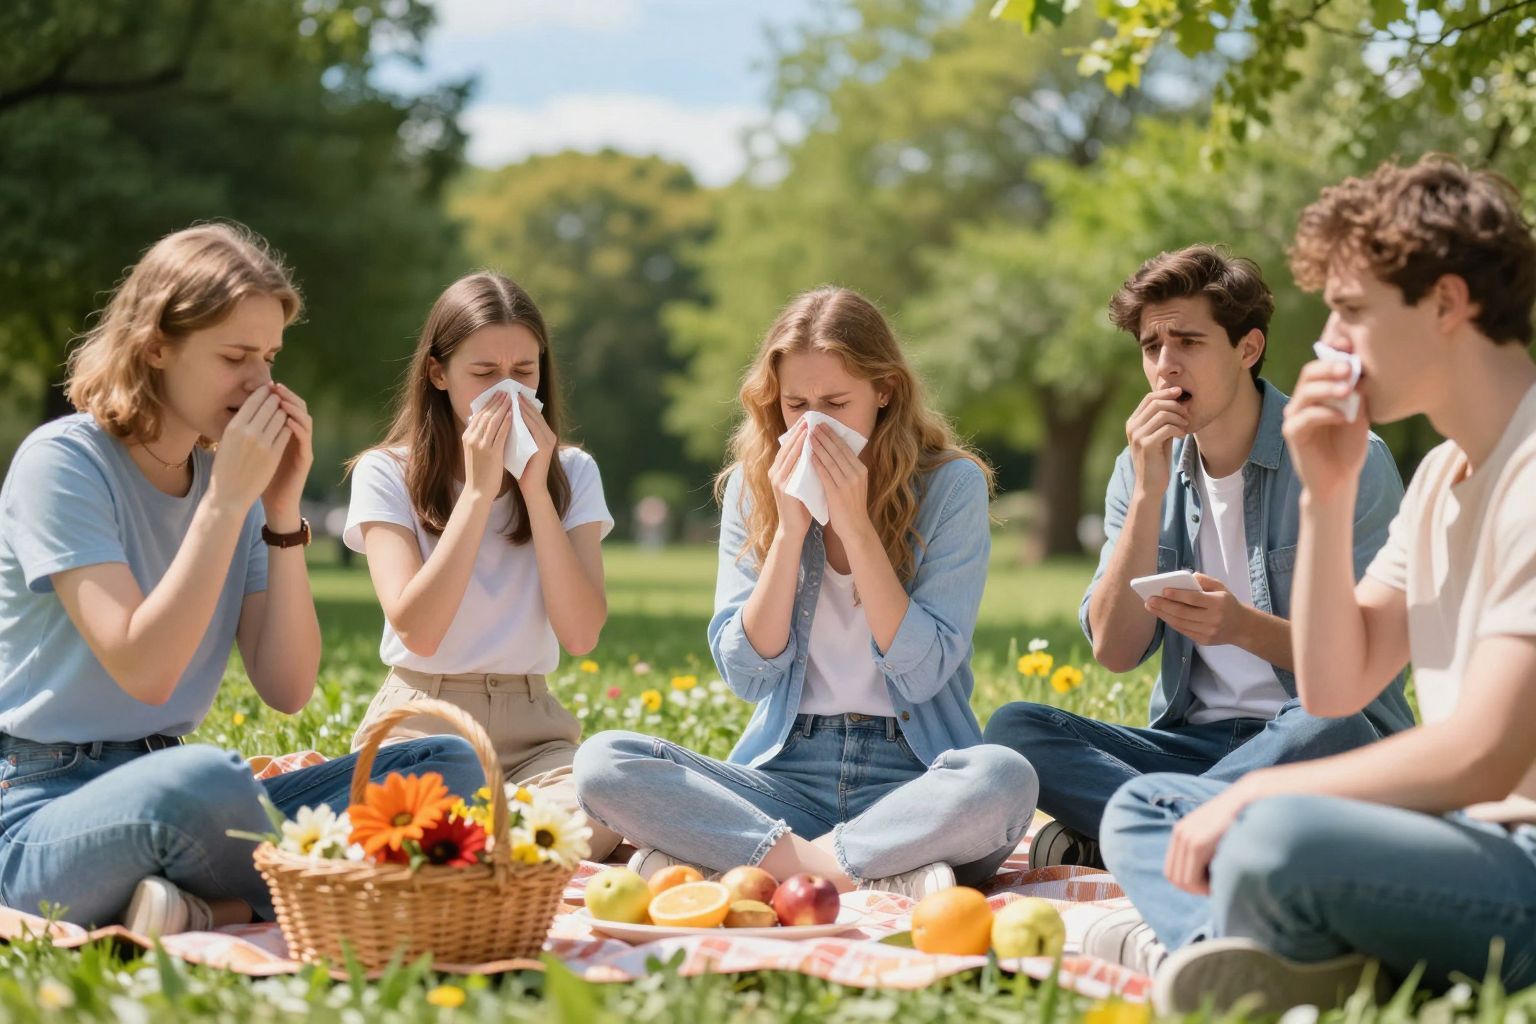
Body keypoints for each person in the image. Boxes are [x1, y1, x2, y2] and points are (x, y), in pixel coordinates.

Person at [1095, 155, 1536, 1013]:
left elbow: (1488, 753)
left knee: (1268, 832)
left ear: (1446, 303)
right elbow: (1339, 685)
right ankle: (1258, 954)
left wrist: (1262, 788)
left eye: (1352, 313)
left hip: (1519, 857)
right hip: (1458, 836)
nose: (1330, 345)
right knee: (1146, 807)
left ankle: (1266, 941)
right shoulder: (1447, 472)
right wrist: (1325, 498)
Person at [0, 223, 482, 935]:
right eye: (234, 357)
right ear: (156, 344)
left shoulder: (237, 486)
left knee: (448, 768)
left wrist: (279, 510)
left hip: (186, 799)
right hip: (42, 812)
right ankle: (302, 891)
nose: (260, 381)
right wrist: (228, 502)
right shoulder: (64, 463)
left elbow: (286, 688)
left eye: (269, 356)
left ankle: (208, 905)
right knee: (205, 783)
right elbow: (147, 671)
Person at [573, 287, 1037, 896]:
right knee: (605, 762)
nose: (814, 424)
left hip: (914, 783)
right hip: (785, 778)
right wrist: (790, 533)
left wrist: (856, 526)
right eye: (797, 405)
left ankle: (762, 866)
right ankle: (857, 872)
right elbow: (748, 675)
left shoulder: (951, 486)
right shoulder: (753, 486)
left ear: (884, 391)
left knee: (1003, 776)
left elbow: (923, 674)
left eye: (836, 403)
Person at [984, 245, 1410, 870]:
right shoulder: (1138, 473)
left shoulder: (1347, 455)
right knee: (1014, 730)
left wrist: (1241, 627)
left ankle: (1136, 832)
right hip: (1190, 749)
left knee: (1328, 721)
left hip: (1317, 740)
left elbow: (1365, 666)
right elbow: (1114, 650)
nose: (1165, 364)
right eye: (1151, 346)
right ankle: (1193, 833)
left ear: (1248, 348)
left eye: (1188, 341)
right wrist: (1149, 490)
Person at [345, 271, 620, 861]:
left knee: (601, 811)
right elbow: (418, 630)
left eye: (524, 373)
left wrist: (536, 490)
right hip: (425, 716)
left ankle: (491, 853)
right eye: (484, 374)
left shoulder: (573, 472)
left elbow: (580, 633)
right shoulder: (386, 472)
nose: (508, 392)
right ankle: (493, 854)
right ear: (438, 374)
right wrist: (476, 494)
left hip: (534, 729)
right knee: (417, 834)